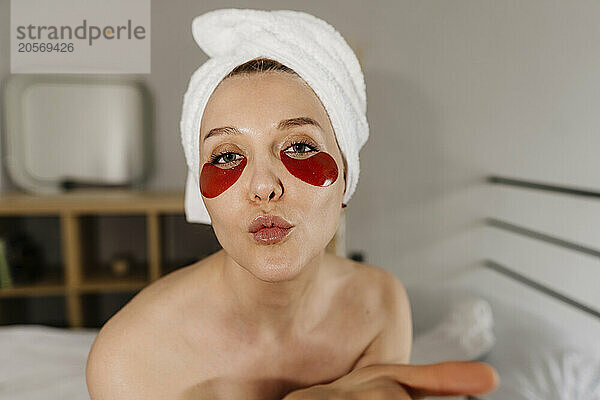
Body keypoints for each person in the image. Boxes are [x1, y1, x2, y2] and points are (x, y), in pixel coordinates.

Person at [86, 9, 499, 400]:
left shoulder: (380, 305)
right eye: (227, 155)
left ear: (345, 180)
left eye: (299, 146)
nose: (264, 186)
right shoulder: (131, 359)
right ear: (201, 191)